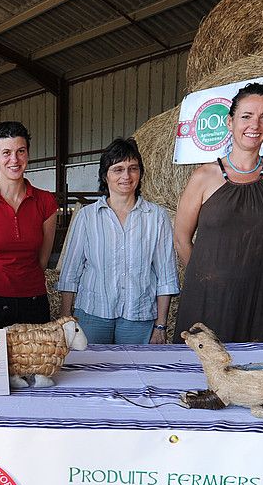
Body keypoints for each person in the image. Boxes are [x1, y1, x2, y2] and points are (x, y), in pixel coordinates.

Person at [173, 83, 263, 342]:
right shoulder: (204, 176)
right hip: (206, 298)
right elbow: (181, 238)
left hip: (256, 298)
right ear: (230, 122)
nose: (255, 125)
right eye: (246, 116)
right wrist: (205, 281)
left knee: (251, 374)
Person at [57, 137, 179, 344]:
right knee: (91, 374)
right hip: (92, 314)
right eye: (118, 169)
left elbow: (165, 275)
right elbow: (71, 271)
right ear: (105, 176)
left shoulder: (156, 217)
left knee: (135, 374)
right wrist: (65, 319)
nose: (126, 175)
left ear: (140, 173)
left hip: (138, 317)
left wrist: (160, 325)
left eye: (133, 168)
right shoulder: (87, 217)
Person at [0, 121, 58, 349]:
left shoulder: (46, 202)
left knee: (36, 372)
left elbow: (42, 259)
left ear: (28, 154)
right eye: (6, 153)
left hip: (33, 301)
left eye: (20, 151)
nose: (14, 160)